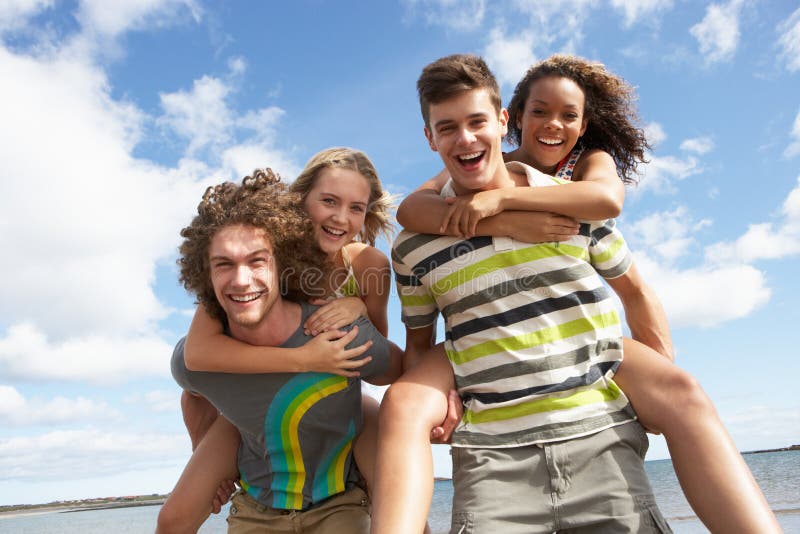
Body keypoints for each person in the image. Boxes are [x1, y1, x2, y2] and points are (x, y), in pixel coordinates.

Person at [387, 54, 779, 533]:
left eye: (476, 122)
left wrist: (651, 383)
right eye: (446, 127)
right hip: (494, 460)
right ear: (429, 138)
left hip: (602, 439)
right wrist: (438, 401)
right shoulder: (413, 244)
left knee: (685, 393)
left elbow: (635, 290)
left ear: (501, 122)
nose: (465, 138)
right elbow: (419, 342)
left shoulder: (572, 204)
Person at [158, 169, 401, 533]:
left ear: (281, 258)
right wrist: (203, 451)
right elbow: (193, 376)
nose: (339, 218)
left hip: (346, 401)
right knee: (173, 519)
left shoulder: (360, 275)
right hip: (256, 432)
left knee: (398, 505)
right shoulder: (210, 334)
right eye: (328, 202)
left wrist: (357, 307)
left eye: (356, 208)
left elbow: (389, 363)